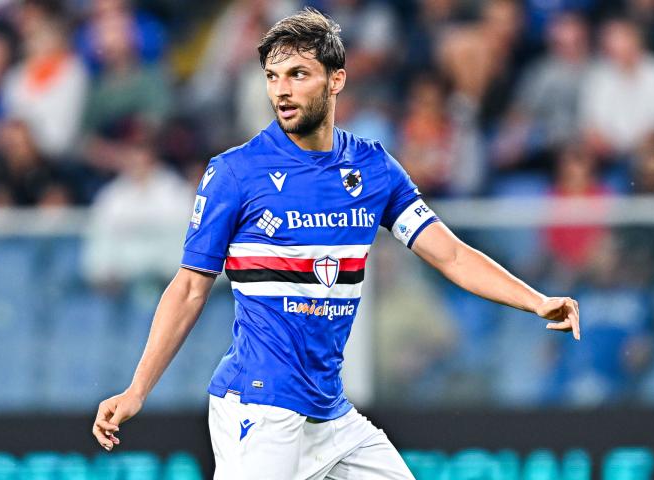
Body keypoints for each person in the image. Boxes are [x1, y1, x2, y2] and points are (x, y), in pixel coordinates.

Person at [92, 8, 580, 479]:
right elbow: (188, 289)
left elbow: (450, 254)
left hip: (330, 415)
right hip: (259, 410)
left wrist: (536, 300)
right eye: (272, 76)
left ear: (336, 79)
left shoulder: (373, 169)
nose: (281, 90)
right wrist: (137, 389)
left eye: (298, 74)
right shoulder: (235, 173)